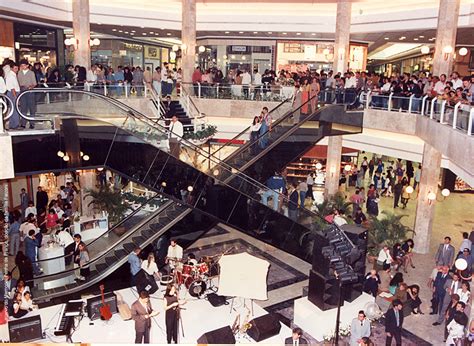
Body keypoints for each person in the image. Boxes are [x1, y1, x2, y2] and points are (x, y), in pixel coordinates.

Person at [17, 59, 37, 129]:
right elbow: (19, 82)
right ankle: (23, 123)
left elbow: (34, 83)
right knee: (23, 108)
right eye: (21, 65)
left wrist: (30, 87)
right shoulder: (19, 73)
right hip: (22, 90)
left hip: (29, 91)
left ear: (27, 66)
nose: (22, 67)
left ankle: (32, 123)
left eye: (24, 65)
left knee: (31, 108)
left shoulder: (31, 73)